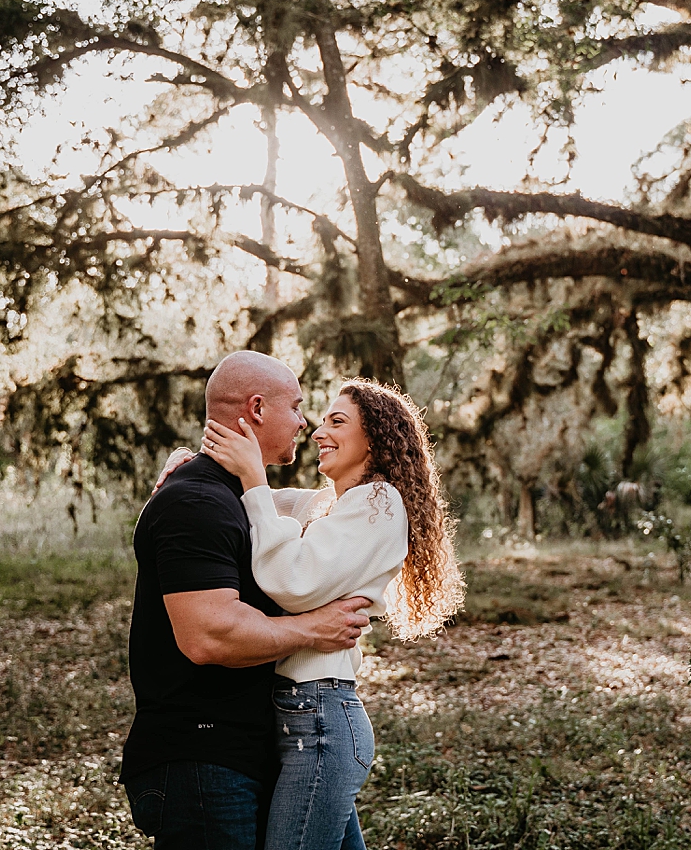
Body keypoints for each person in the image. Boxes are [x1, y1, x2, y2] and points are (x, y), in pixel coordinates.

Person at [161, 378, 466, 850]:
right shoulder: (333, 503)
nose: (319, 431)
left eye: (337, 421)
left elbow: (294, 582)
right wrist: (195, 466)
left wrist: (253, 482)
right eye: (321, 419)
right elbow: (252, 504)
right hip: (303, 719)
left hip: (319, 719)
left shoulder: (379, 503)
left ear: (376, 439)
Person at [119, 352, 372, 850]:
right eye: (297, 407)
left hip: (263, 748)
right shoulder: (195, 502)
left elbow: (337, 510)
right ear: (257, 408)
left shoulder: (239, 499)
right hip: (202, 758)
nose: (304, 422)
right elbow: (209, 636)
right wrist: (313, 630)